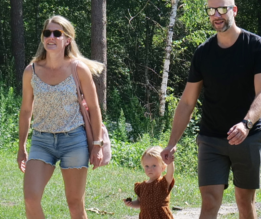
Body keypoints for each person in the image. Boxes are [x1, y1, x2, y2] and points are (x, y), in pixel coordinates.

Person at [163, 0, 261, 219]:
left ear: (234, 11)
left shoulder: (256, 46)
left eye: (222, 9)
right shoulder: (203, 52)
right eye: (211, 10)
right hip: (211, 138)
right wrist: (172, 142)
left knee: (245, 202)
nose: (217, 15)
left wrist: (246, 124)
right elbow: (187, 102)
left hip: (248, 137)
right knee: (210, 200)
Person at [16, 15, 111, 219]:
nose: (51, 37)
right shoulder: (30, 71)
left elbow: (94, 108)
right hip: (42, 141)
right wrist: (21, 146)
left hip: (73, 141)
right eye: (47, 33)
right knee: (30, 199)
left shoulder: (78, 69)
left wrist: (96, 145)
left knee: (75, 204)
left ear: (67, 39)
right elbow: (25, 111)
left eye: (57, 33)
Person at [124, 146, 177, 219]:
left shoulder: (163, 183)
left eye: (154, 166)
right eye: (147, 166)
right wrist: (131, 204)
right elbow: (139, 203)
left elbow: (170, 174)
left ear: (163, 167)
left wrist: (170, 162)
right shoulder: (141, 186)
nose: (150, 169)